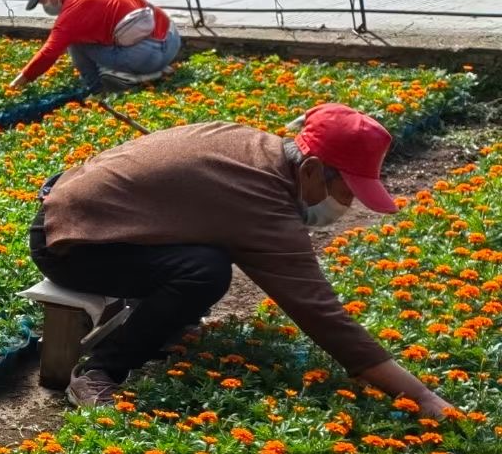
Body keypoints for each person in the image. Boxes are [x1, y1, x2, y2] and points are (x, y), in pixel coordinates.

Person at [29, 103, 452, 415]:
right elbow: (321, 313)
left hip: (85, 215)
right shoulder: (260, 200)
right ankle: (100, 373)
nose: (349, 206)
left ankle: (163, 322)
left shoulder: (256, 149)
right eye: (347, 192)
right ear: (311, 170)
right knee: (204, 273)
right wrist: (423, 396)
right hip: (68, 243)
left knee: (205, 259)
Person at [8, 0, 181, 92]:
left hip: (150, 54)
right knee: (89, 35)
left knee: (75, 42)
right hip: (171, 40)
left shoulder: (73, 9)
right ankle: (155, 71)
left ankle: (99, 88)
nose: (43, 4)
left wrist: (17, 83)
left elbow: (49, 53)